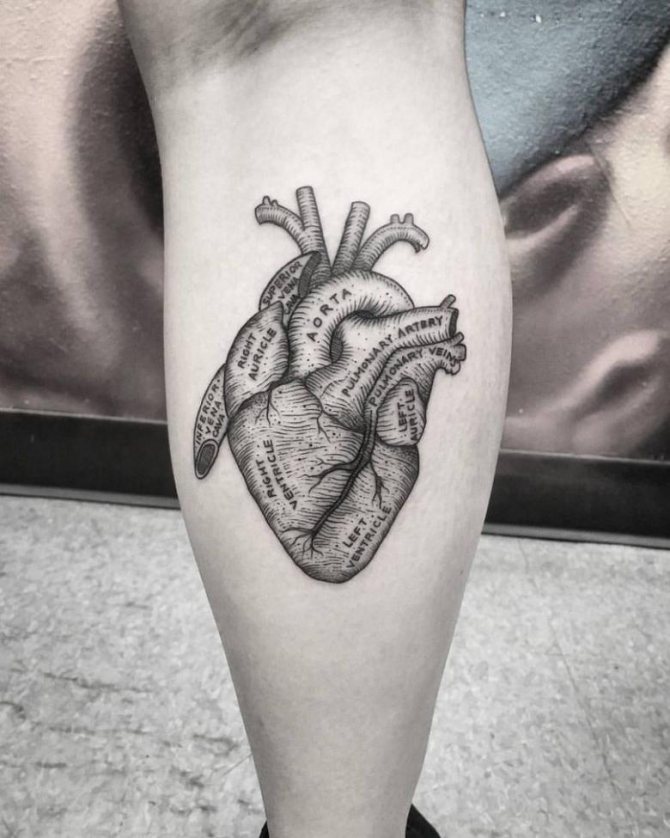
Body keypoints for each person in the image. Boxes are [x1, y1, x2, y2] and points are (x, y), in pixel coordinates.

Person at [116, 1, 511, 836]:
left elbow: (253, 394)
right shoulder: (298, 391)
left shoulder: (293, 388)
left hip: (335, 476)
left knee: (279, 29)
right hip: (333, 484)